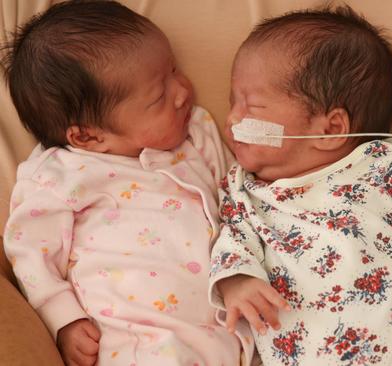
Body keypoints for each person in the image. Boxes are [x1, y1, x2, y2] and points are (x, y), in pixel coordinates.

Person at [208, 6, 392, 366]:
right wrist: (236, 280)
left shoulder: (389, 166)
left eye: (252, 108)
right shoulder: (243, 188)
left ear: (332, 128)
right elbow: (231, 238)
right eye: (232, 102)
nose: (232, 120)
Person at [2, 1, 254, 365]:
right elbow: (29, 249)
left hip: (230, 326)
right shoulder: (59, 173)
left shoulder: (196, 132)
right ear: (89, 137)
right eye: (158, 97)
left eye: (174, 70)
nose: (182, 91)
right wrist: (63, 318)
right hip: (139, 337)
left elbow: (236, 193)